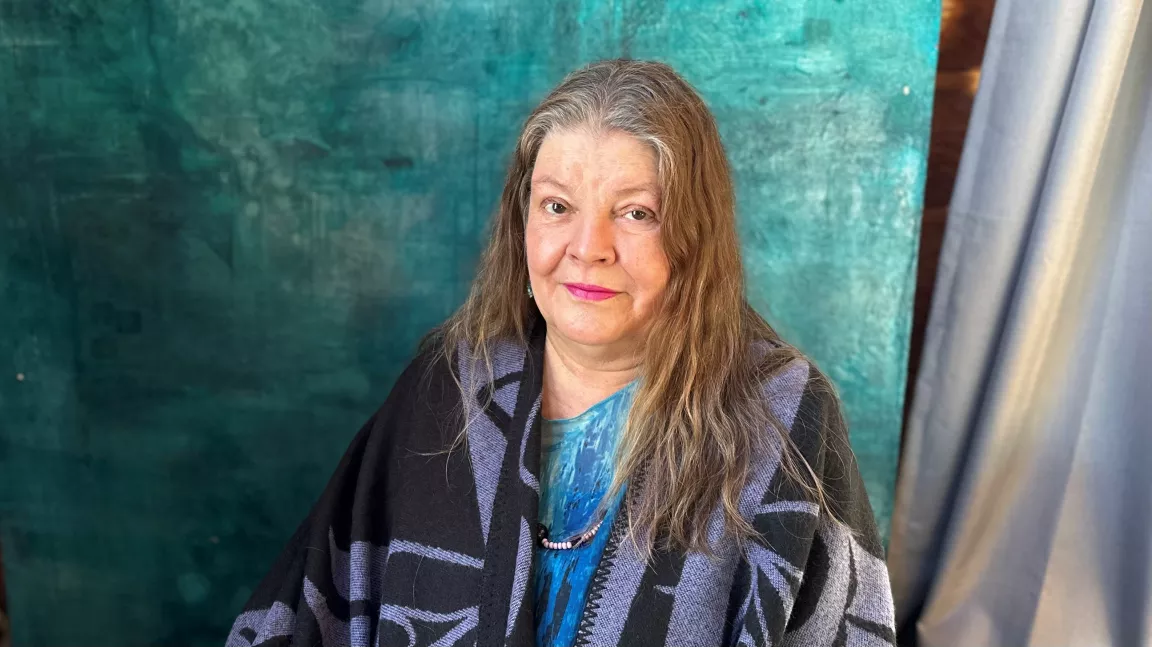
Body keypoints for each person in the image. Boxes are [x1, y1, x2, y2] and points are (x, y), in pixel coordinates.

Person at [225, 59, 895, 647]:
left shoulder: (783, 417)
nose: (588, 246)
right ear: (522, 221)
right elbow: (307, 608)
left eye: (636, 213)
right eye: (557, 206)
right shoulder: (451, 384)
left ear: (695, 239)